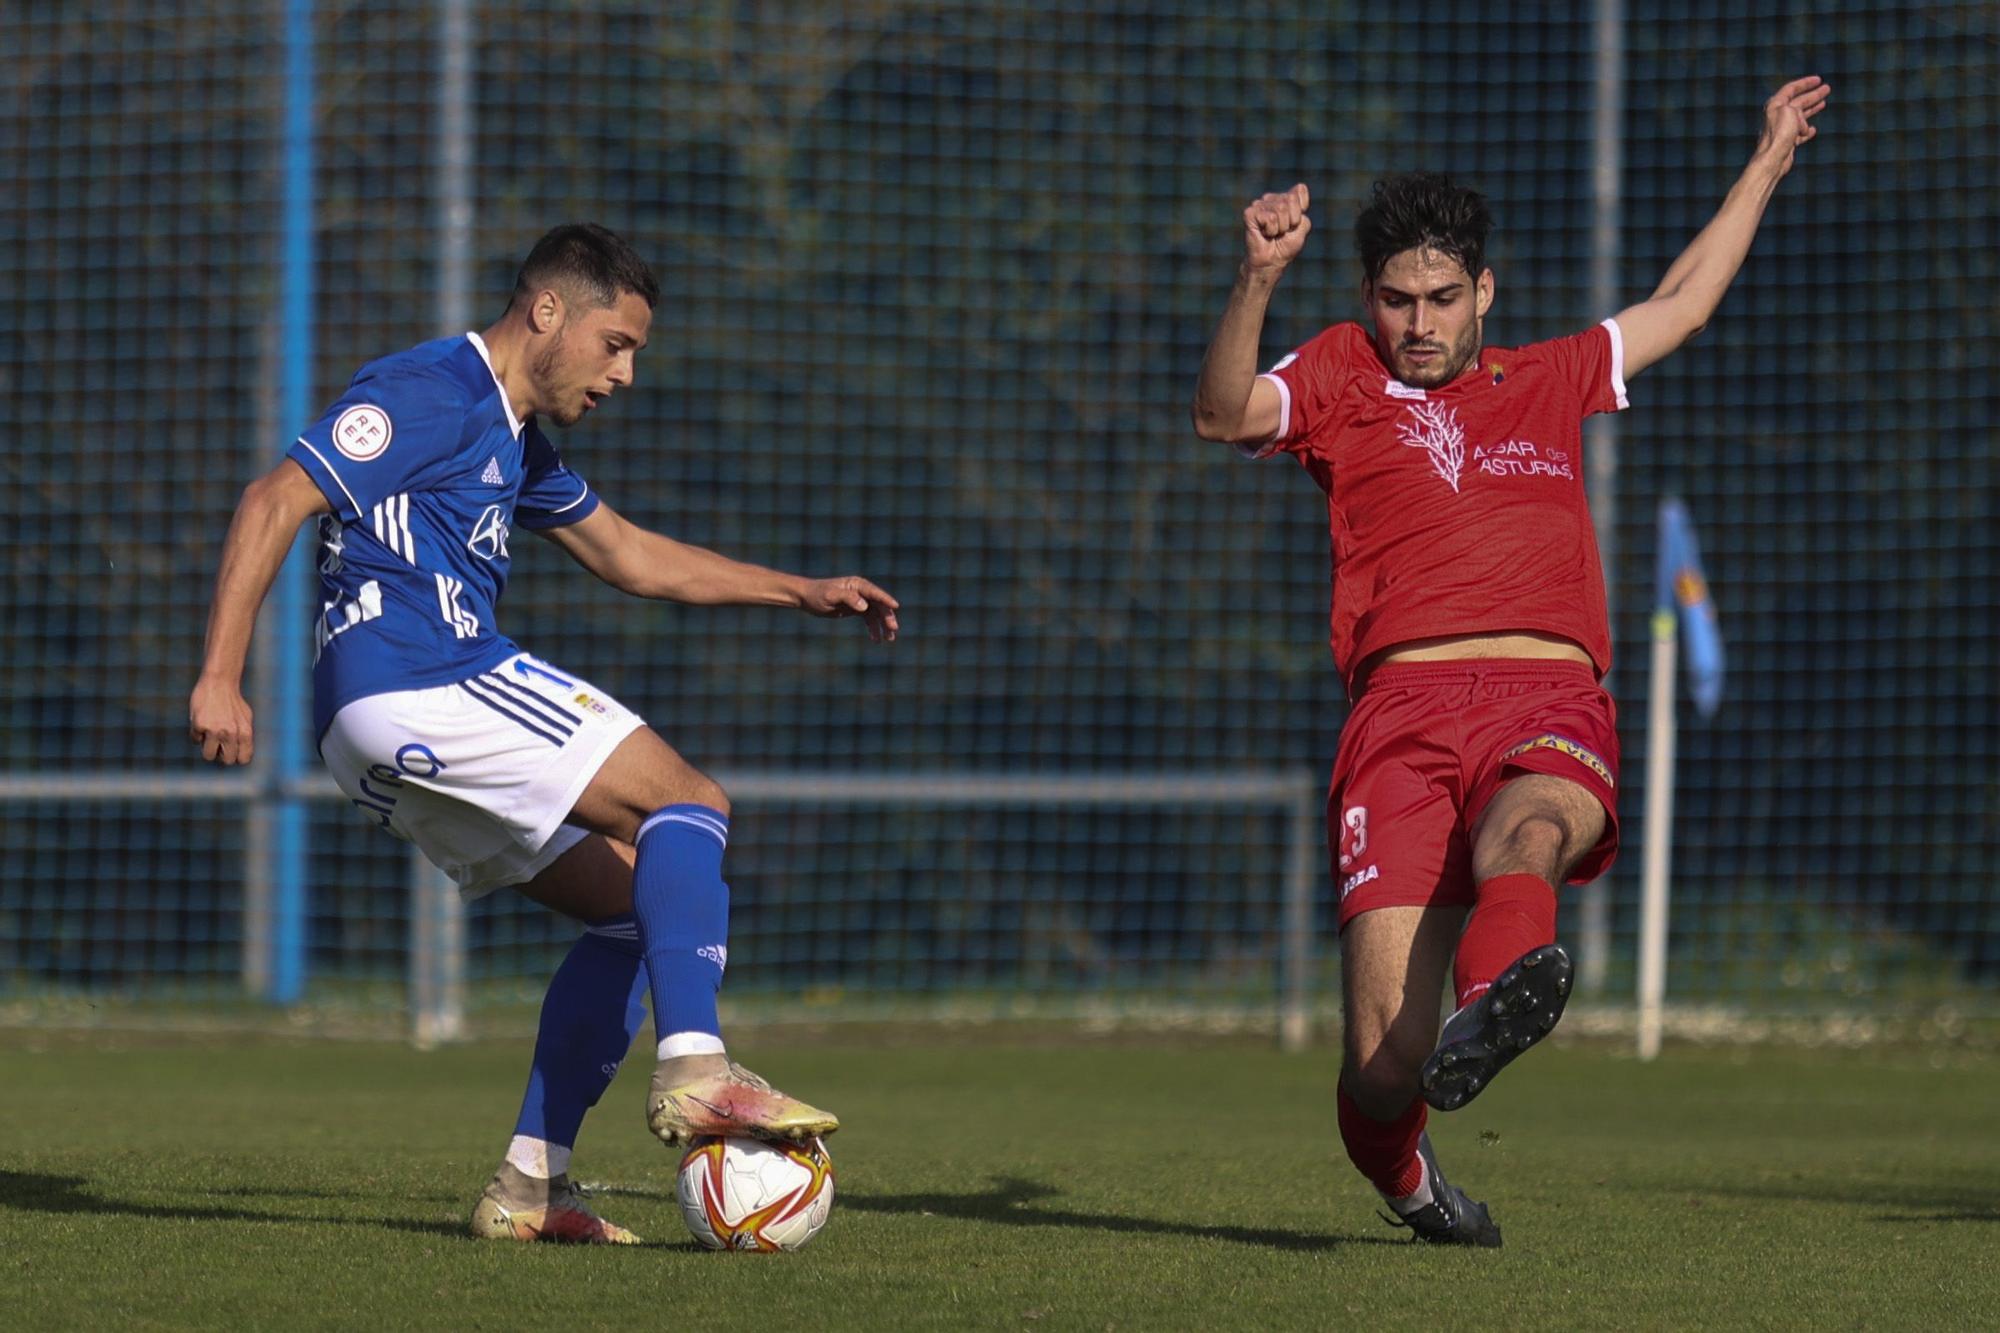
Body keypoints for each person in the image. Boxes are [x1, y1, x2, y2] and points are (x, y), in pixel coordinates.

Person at [1191, 78, 1829, 1245]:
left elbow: (1681, 303)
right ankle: (1409, 1181)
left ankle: (1495, 998)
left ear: (1483, 291)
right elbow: (1224, 413)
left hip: (1544, 691)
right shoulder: (1338, 372)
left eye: (1441, 297)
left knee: (1527, 831)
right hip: (1397, 715)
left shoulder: (1548, 377)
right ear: (1365, 298)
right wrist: (1256, 274)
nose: (1418, 322)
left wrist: (1767, 159)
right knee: (1382, 1069)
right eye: (1395, 299)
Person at [189, 223, 899, 1245]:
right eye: (616, 343)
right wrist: (220, 675)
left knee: (627, 915)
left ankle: (529, 1185)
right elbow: (274, 497)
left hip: (379, 730)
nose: (624, 373)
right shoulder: (434, 387)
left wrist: (801, 590)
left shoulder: (516, 439)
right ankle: (696, 1068)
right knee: (688, 801)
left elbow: (629, 554)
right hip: (418, 675)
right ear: (547, 311)